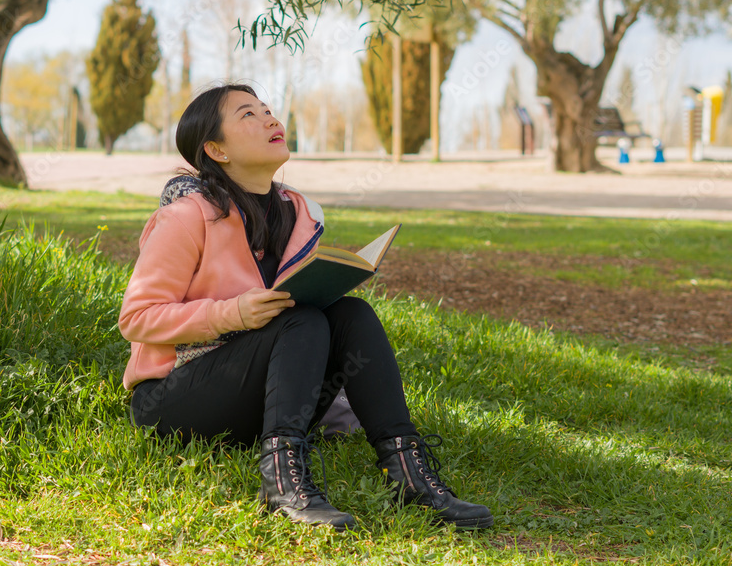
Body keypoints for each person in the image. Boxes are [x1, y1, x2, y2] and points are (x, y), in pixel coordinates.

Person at [117, 83, 493, 532]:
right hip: (175, 399)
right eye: (248, 116)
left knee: (352, 314)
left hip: (260, 397)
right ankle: (282, 485)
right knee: (298, 320)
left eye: (268, 110)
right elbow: (136, 317)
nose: (270, 119)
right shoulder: (186, 216)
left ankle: (409, 474)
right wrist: (232, 313)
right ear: (216, 149)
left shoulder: (297, 214)